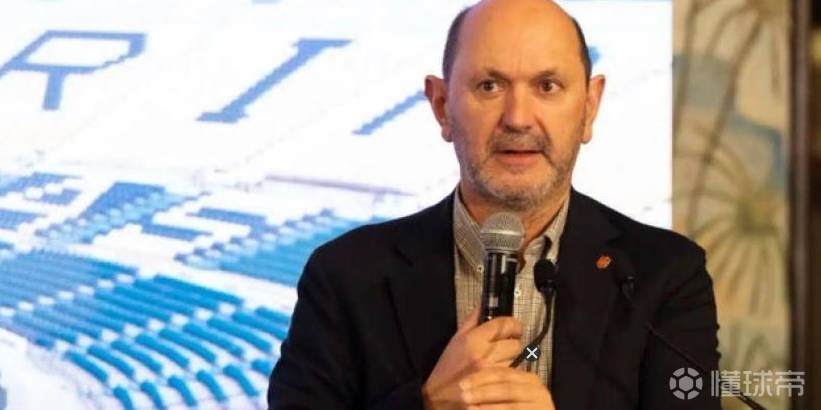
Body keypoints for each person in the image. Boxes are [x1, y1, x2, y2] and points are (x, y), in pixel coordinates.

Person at [268, 0, 720, 408]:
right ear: (441, 105)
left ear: (589, 106)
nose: (518, 118)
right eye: (489, 86)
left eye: (547, 86)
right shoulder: (345, 275)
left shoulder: (665, 275)